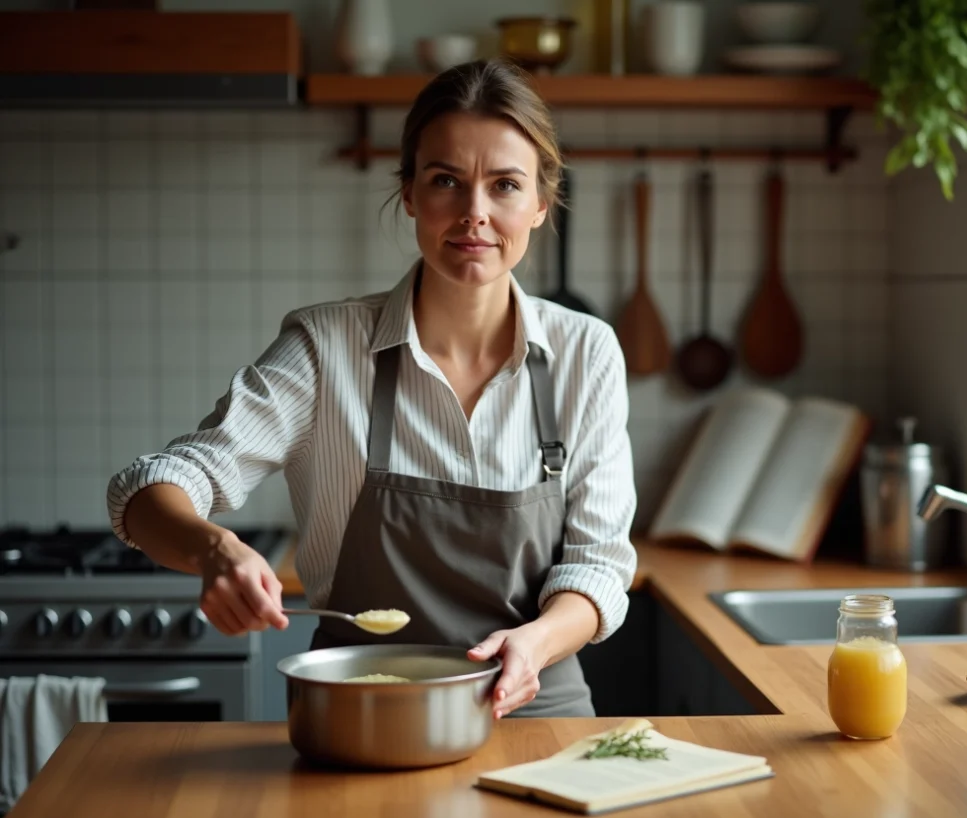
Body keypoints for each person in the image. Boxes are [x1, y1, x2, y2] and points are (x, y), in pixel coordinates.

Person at [105, 59, 637, 719]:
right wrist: (216, 548)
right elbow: (151, 484)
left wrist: (536, 641)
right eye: (446, 180)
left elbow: (598, 566)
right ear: (410, 191)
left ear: (539, 201)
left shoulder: (585, 353)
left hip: (534, 708)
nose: (475, 214)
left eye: (504, 185)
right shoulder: (326, 350)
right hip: (363, 716)